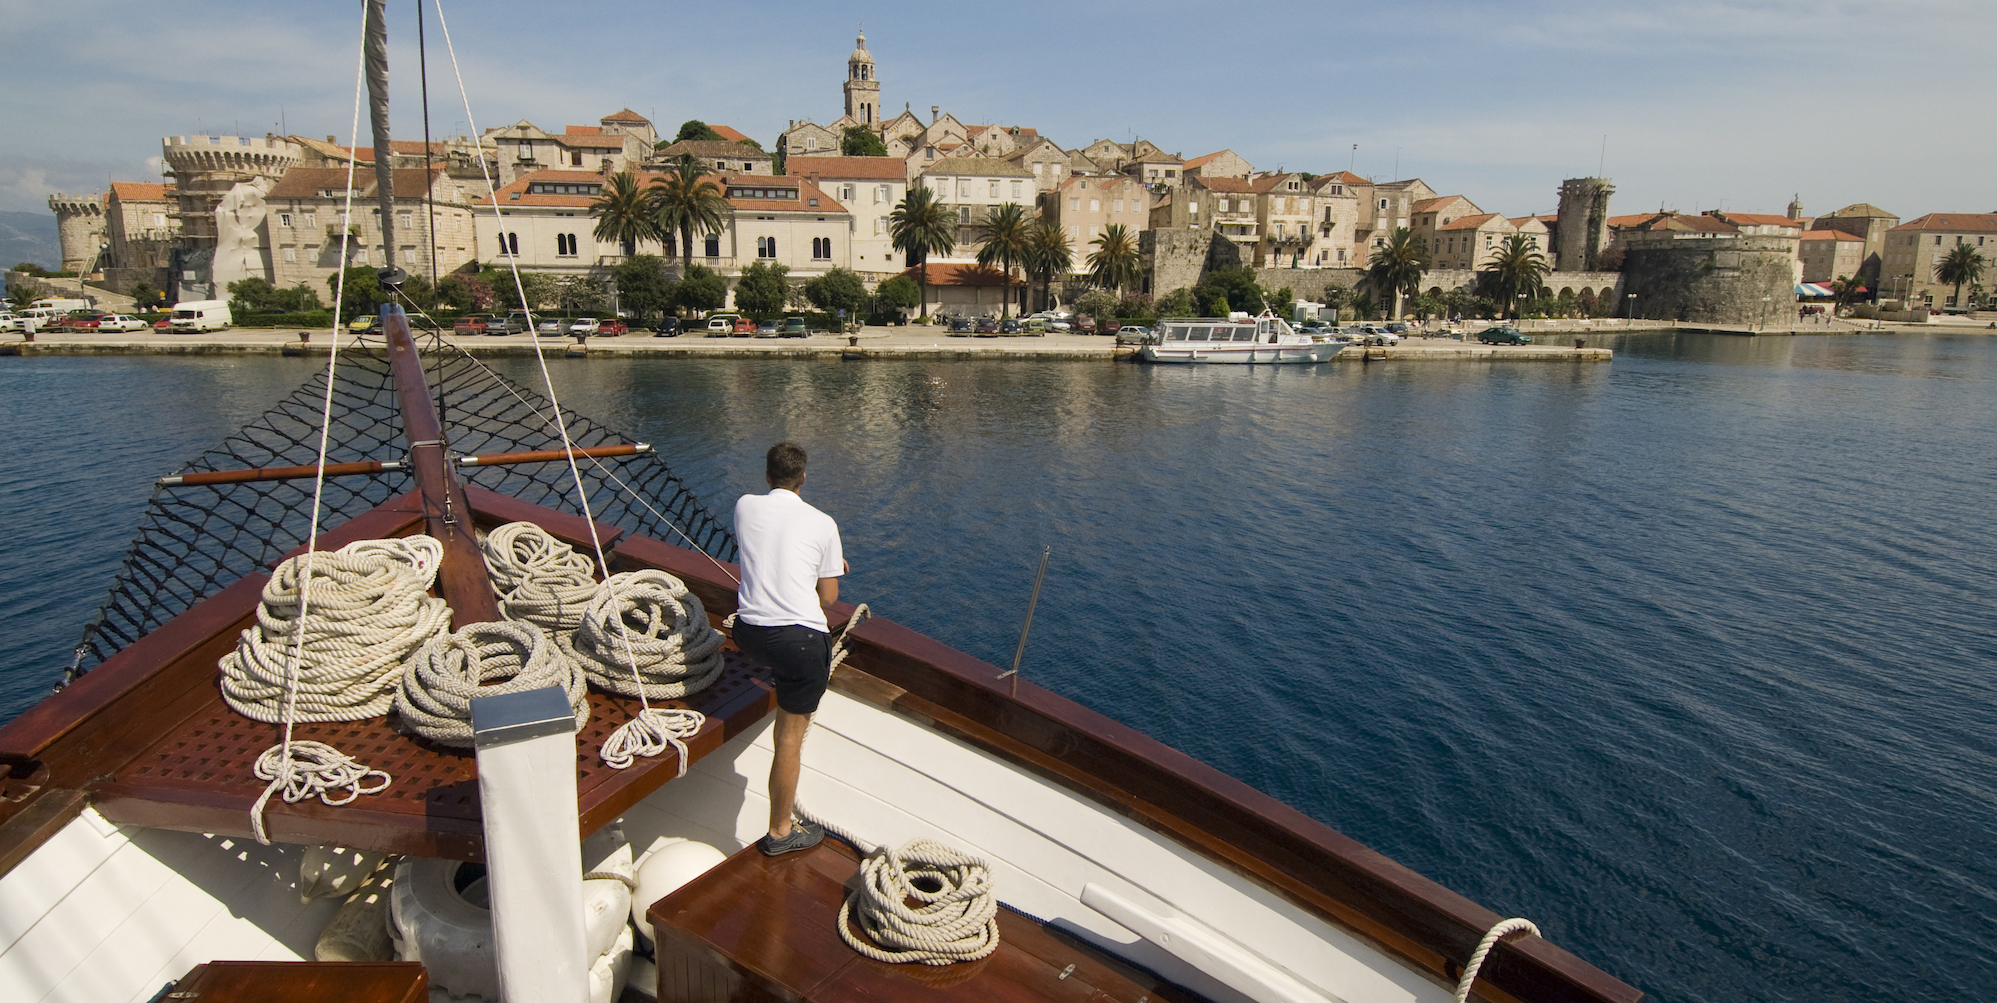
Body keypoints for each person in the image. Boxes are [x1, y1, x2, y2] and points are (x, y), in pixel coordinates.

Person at [731, 441, 846, 855]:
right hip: (799, 645)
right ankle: (781, 831)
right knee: (789, 740)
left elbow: (774, 546)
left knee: (781, 657)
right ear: (804, 477)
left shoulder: (744, 506)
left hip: (749, 635)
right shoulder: (824, 524)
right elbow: (829, 599)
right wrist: (827, 568)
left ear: (767, 477)